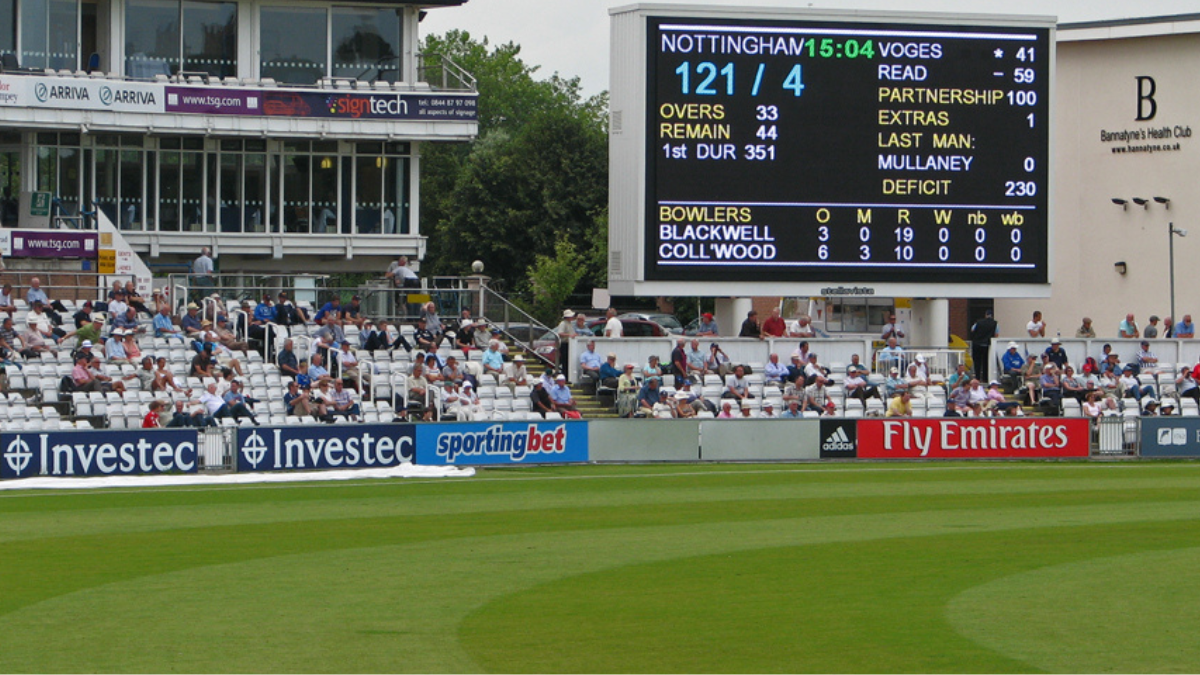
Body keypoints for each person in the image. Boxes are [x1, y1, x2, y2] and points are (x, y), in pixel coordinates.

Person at [970, 309, 998, 379]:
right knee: (986, 362)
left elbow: (972, 330)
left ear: (986, 315)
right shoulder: (995, 323)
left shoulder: (978, 322)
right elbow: (996, 334)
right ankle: (985, 377)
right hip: (987, 345)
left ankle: (978, 377)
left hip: (977, 344)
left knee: (977, 362)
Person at [554, 309, 578, 374]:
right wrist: (570, 335)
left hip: (569, 344)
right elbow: (560, 333)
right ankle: (565, 375)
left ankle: (568, 375)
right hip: (565, 344)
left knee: (568, 361)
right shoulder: (563, 324)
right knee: (565, 361)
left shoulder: (570, 324)